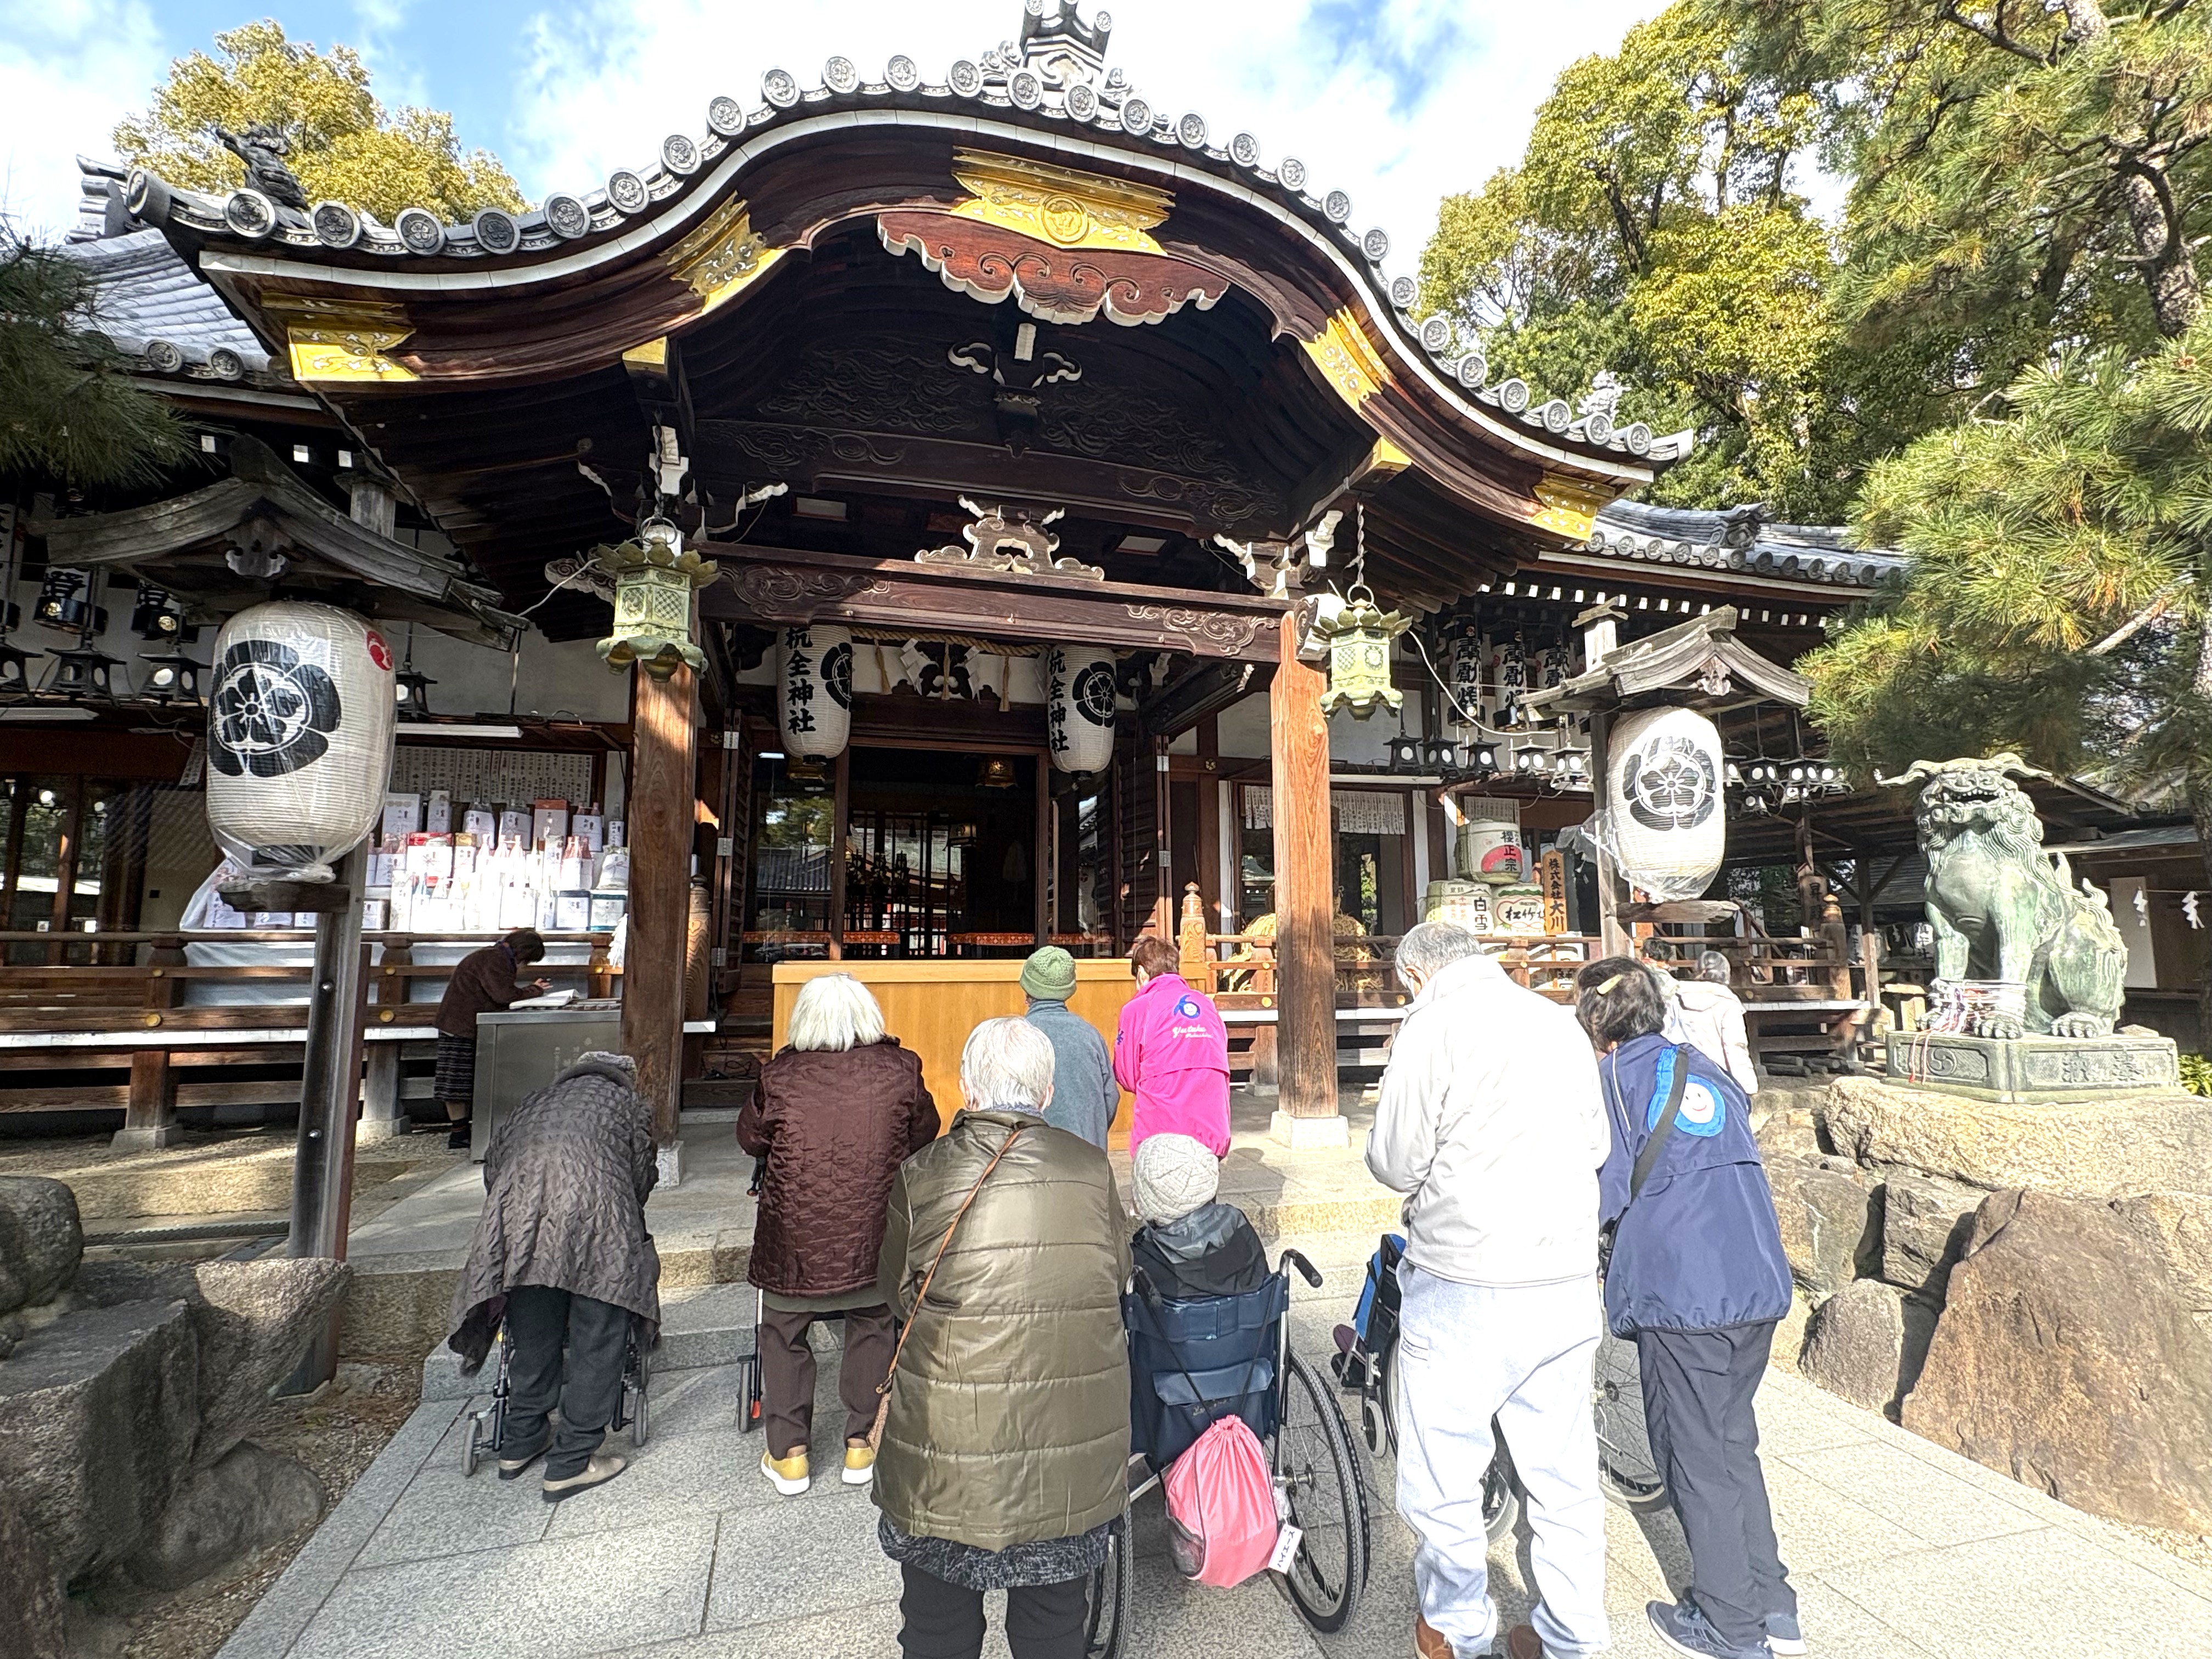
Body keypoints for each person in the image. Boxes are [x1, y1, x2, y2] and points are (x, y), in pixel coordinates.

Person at [1365, 922, 1612, 1659]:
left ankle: (1460, 1632)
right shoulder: (1557, 1020)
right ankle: (1574, 1638)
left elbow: (1394, 1160)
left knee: (1444, 1472)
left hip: (1466, 1279)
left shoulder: (1431, 1025)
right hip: (1563, 1278)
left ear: (1416, 975)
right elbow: (1596, 1145)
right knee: (1563, 1476)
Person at [874, 1017, 1131, 1659]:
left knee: (936, 1626)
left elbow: (897, 1294)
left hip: (947, 1448)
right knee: (1052, 1627)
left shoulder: (923, 1171)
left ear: (966, 1089)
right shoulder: (1091, 1169)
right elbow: (1116, 1274)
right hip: (1066, 1449)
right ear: (1046, 1095)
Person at [1575, 958, 1797, 1659]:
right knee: (1733, 1443)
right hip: (1756, 1275)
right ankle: (1775, 1605)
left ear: (1596, 1022)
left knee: (1694, 1457)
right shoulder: (1703, 1066)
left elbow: (1602, 1190)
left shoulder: (1614, 1078)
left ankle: (1731, 1626)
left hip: (1687, 1292)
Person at [738, 973, 939, 1496]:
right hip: (871, 1231)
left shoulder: (779, 1075)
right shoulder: (900, 1069)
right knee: (873, 1324)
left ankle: (790, 1455)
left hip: (792, 1237)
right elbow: (925, 1131)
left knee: (783, 1333)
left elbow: (750, 1140)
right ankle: (861, 1443)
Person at [446, 1051, 658, 1502]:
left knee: (534, 1327)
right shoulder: (628, 1106)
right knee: (599, 1331)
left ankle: (520, 1441)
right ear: (626, 1078)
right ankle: (573, 1460)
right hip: (597, 1222)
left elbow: (493, 1167)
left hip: (522, 1228)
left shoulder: (534, 1101)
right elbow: (641, 1177)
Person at [1112, 934, 1229, 1156]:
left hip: (1161, 1132)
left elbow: (1127, 1075)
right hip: (1212, 1131)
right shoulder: (1206, 1004)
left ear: (1141, 973)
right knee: (1204, 1188)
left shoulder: (1137, 1009)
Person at [434, 927, 550, 1149]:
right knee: (456, 1082)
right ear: (523, 954)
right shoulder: (495, 960)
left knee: (461, 1081)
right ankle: (459, 1134)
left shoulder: (492, 956)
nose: (524, 967)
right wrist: (534, 990)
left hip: (460, 1023)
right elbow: (503, 995)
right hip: (460, 1026)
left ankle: (463, 1131)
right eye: (528, 961)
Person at [1127, 1130, 1267, 1297]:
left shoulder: (1145, 1254)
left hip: (1179, 1322)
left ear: (1148, 1195)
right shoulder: (1238, 1225)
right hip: (1248, 1321)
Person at [1020, 945, 1117, 1148]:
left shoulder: (1017, 1037)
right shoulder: (1091, 1036)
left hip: (1033, 1161)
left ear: (1027, 991)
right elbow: (1110, 1098)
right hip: (1088, 1161)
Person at [1663, 950, 1759, 1097]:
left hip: (1681, 1075)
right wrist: (1747, 1086)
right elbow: (1735, 1047)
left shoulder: (1675, 998)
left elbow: (1666, 1034)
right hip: (1718, 1079)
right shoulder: (1728, 1003)